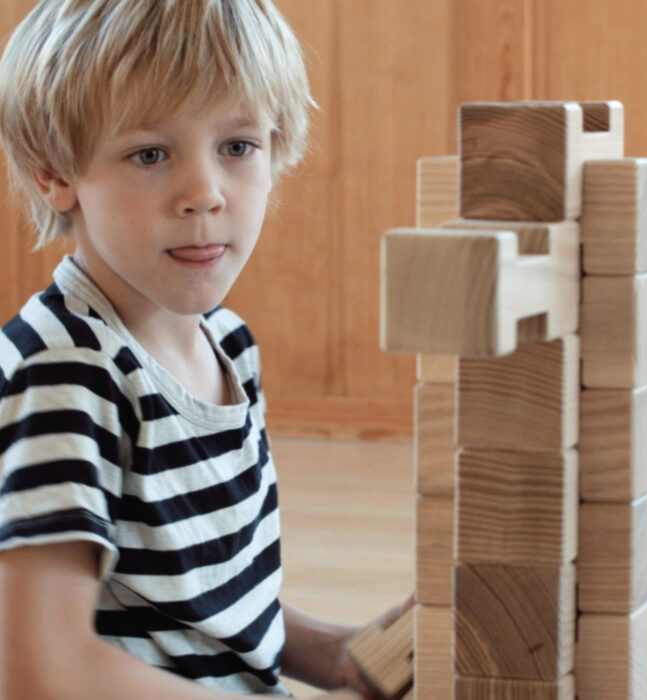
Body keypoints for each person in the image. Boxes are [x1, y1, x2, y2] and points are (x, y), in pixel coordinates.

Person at [0, 1, 412, 698]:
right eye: (150, 154)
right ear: (53, 173)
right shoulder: (66, 372)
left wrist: (341, 658)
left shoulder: (227, 344)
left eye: (238, 146)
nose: (204, 194)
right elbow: (45, 672)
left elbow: (198, 603)